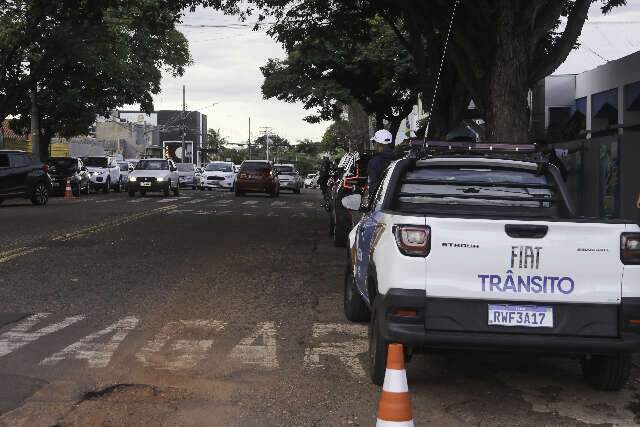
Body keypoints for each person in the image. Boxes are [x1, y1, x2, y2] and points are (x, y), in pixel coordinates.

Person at [367, 129, 396, 202]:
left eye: (374, 142)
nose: (373, 145)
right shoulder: (400, 158)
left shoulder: (374, 162)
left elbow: (373, 188)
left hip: (382, 202)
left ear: (378, 144)